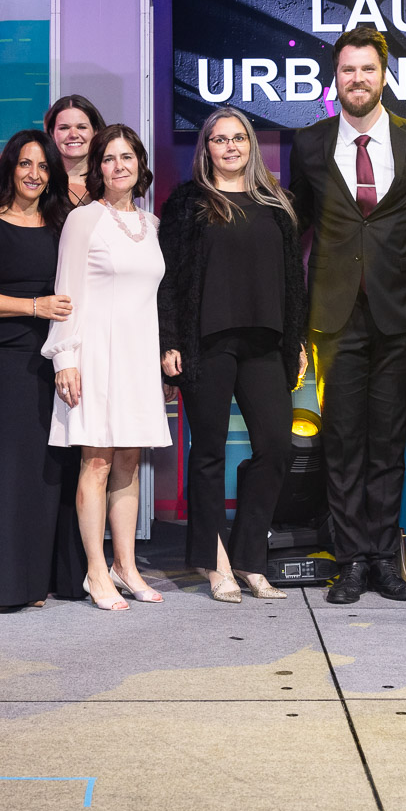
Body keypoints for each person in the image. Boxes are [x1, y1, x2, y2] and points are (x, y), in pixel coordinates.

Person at [288, 26, 406, 605]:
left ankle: (385, 559)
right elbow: (295, 228)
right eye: (348, 70)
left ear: (384, 76)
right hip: (333, 317)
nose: (357, 79)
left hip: (400, 316)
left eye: (367, 69)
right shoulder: (308, 143)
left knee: (389, 442)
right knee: (343, 440)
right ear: (336, 78)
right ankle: (350, 560)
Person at [158, 107, 307, 603]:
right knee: (208, 452)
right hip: (206, 343)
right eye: (219, 139)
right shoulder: (188, 204)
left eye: (238, 138)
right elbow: (170, 281)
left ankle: (249, 558)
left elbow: (293, 279)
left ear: (250, 145)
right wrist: (169, 340)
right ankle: (213, 559)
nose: (230, 147)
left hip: (265, 342)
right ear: (206, 148)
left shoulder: (276, 203)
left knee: (276, 447)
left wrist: (296, 339)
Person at [44, 124, 173, 611]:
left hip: (138, 358)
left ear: (140, 164)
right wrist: (65, 358)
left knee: (128, 463)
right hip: (95, 355)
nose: (119, 166)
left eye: (127, 157)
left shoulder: (152, 224)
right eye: (109, 158)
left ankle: (126, 566)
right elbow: (65, 292)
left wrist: (160, 364)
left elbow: (154, 301)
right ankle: (95, 571)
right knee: (95, 463)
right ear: (98, 168)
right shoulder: (84, 220)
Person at [0, 130, 85, 611]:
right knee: (13, 465)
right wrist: (35, 306)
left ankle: (55, 577)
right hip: (3, 354)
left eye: (43, 166)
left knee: (56, 463)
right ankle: (10, 584)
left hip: (58, 354)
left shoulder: (63, 224)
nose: (34, 174)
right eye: (25, 164)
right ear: (10, 168)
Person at [44, 94, 108, 206]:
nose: (73, 135)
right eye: (64, 128)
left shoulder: (110, 181)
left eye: (81, 127)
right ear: (52, 133)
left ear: (96, 131)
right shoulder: (41, 182)